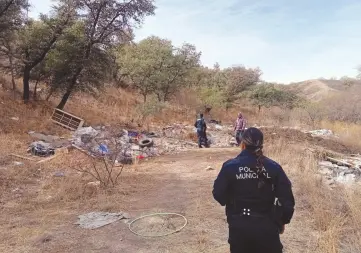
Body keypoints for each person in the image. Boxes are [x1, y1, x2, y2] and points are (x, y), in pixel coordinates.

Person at [212, 127, 295, 253]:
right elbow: (287, 200)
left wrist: (232, 201)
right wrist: (283, 221)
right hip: (267, 229)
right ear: (261, 145)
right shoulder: (274, 167)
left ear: (242, 144)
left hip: (239, 230)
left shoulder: (230, 166)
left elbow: (218, 194)